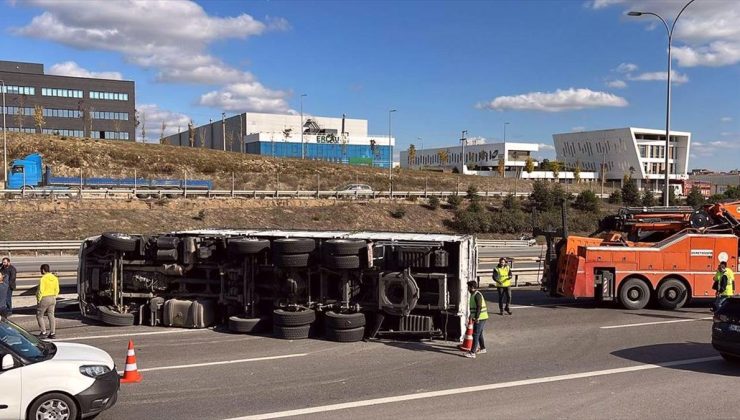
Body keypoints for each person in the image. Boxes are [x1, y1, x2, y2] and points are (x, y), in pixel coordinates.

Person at [464, 280, 488, 359]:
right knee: (479, 333)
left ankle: (472, 352)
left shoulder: (477, 295)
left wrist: (476, 318)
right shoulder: (473, 294)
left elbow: (479, 307)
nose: (468, 289)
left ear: (472, 287)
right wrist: (471, 316)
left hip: (481, 317)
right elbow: (473, 308)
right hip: (480, 317)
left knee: (475, 334)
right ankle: (483, 348)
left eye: (469, 287)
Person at [36, 264, 59, 339]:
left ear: (43, 270)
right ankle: (52, 333)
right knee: (51, 315)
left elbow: (40, 290)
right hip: (52, 298)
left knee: (39, 315)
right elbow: (57, 289)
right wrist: (54, 296)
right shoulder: (55, 278)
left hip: (44, 298)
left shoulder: (43, 278)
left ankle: (43, 332)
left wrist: (39, 299)